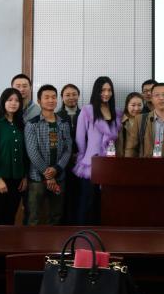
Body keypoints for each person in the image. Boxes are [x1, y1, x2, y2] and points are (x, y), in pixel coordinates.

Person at [74, 76, 121, 224]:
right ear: (96, 91)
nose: (106, 93)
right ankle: (83, 234)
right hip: (91, 164)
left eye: (109, 90)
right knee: (88, 202)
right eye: (102, 90)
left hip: (110, 164)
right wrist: (83, 157)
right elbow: (80, 137)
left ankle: (103, 235)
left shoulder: (117, 112)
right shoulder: (87, 110)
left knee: (106, 203)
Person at [25, 85, 72, 225]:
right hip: (37, 178)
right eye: (46, 97)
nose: (51, 100)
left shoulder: (63, 123)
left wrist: (56, 169)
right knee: (34, 217)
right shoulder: (32, 124)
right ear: (39, 101)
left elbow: (68, 149)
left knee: (56, 216)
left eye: (53, 97)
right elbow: (32, 151)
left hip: (59, 176)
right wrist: (48, 174)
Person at [0, 88, 28, 225]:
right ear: (3, 102)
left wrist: (24, 176)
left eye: (17, 100)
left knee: (10, 218)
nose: (13, 103)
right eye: (9, 100)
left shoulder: (21, 124)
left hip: (17, 179)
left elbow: (25, 153)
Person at [125, 82, 164, 157]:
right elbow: (131, 148)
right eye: (157, 95)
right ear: (152, 99)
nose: (161, 98)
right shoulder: (140, 119)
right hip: (146, 164)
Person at [56, 84, 81, 225]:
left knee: (79, 195)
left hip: (81, 162)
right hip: (62, 163)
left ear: (78, 96)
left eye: (74, 94)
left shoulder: (84, 114)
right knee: (63, 196)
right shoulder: (57, 116)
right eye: (67, 95)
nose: (71, 97)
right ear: (62, 97)